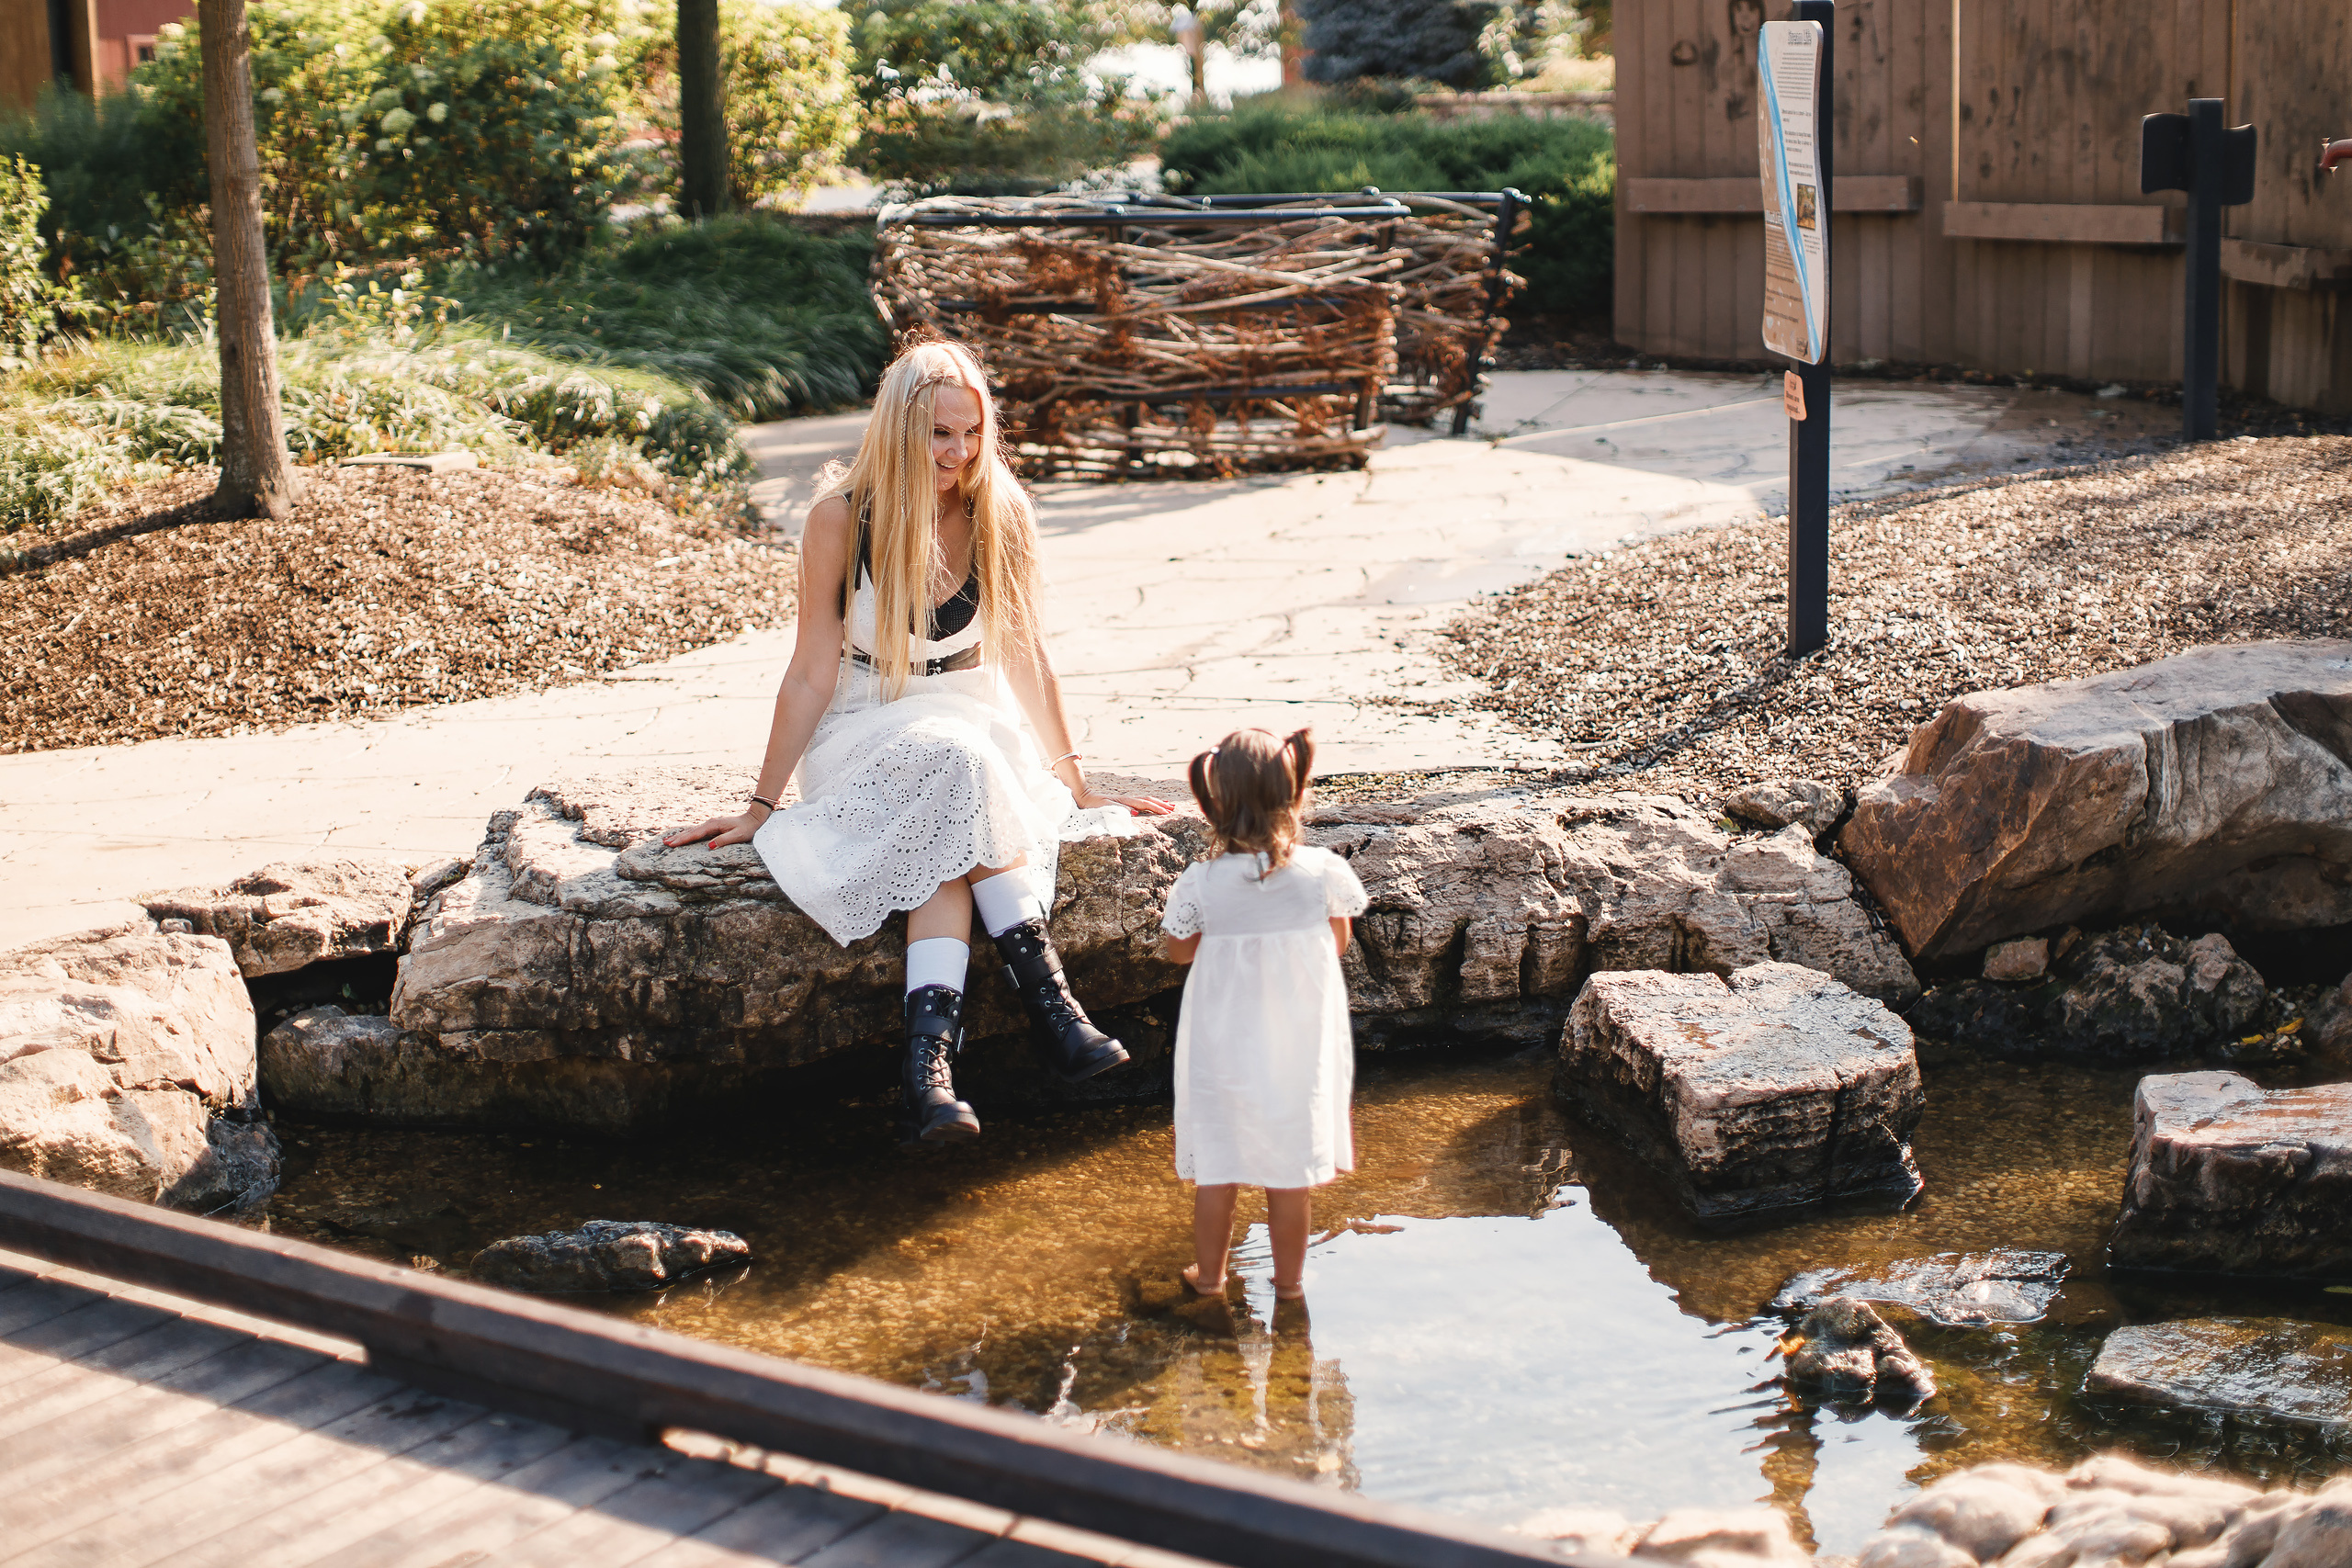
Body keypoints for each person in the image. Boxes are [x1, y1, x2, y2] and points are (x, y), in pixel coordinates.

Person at [664, 339, 1173, 1144]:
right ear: (900, 428)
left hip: (971, 718)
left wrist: (1078, 784)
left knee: (948, 812)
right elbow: (808, 672)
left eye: (972, 433)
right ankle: (1055, 1008)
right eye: (941, 433)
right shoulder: (840, 518)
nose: (961, 452)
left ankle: (928, 1075)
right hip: (864, 726)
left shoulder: (1000, 508)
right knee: (952, 768)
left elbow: (1024, 652)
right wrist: (761, 806)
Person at [1159, 728, 1366, 1303]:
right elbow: (1337, 942)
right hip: (1297, 1047)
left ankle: (1209, 1279)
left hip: (1222, 1046)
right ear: (1294, 796)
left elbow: (1179, 950)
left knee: (1219, 1166)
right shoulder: (1322, 871)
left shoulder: (1201, 881)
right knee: (1289, 1173)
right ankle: (1292, 1285)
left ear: (1214, 803)